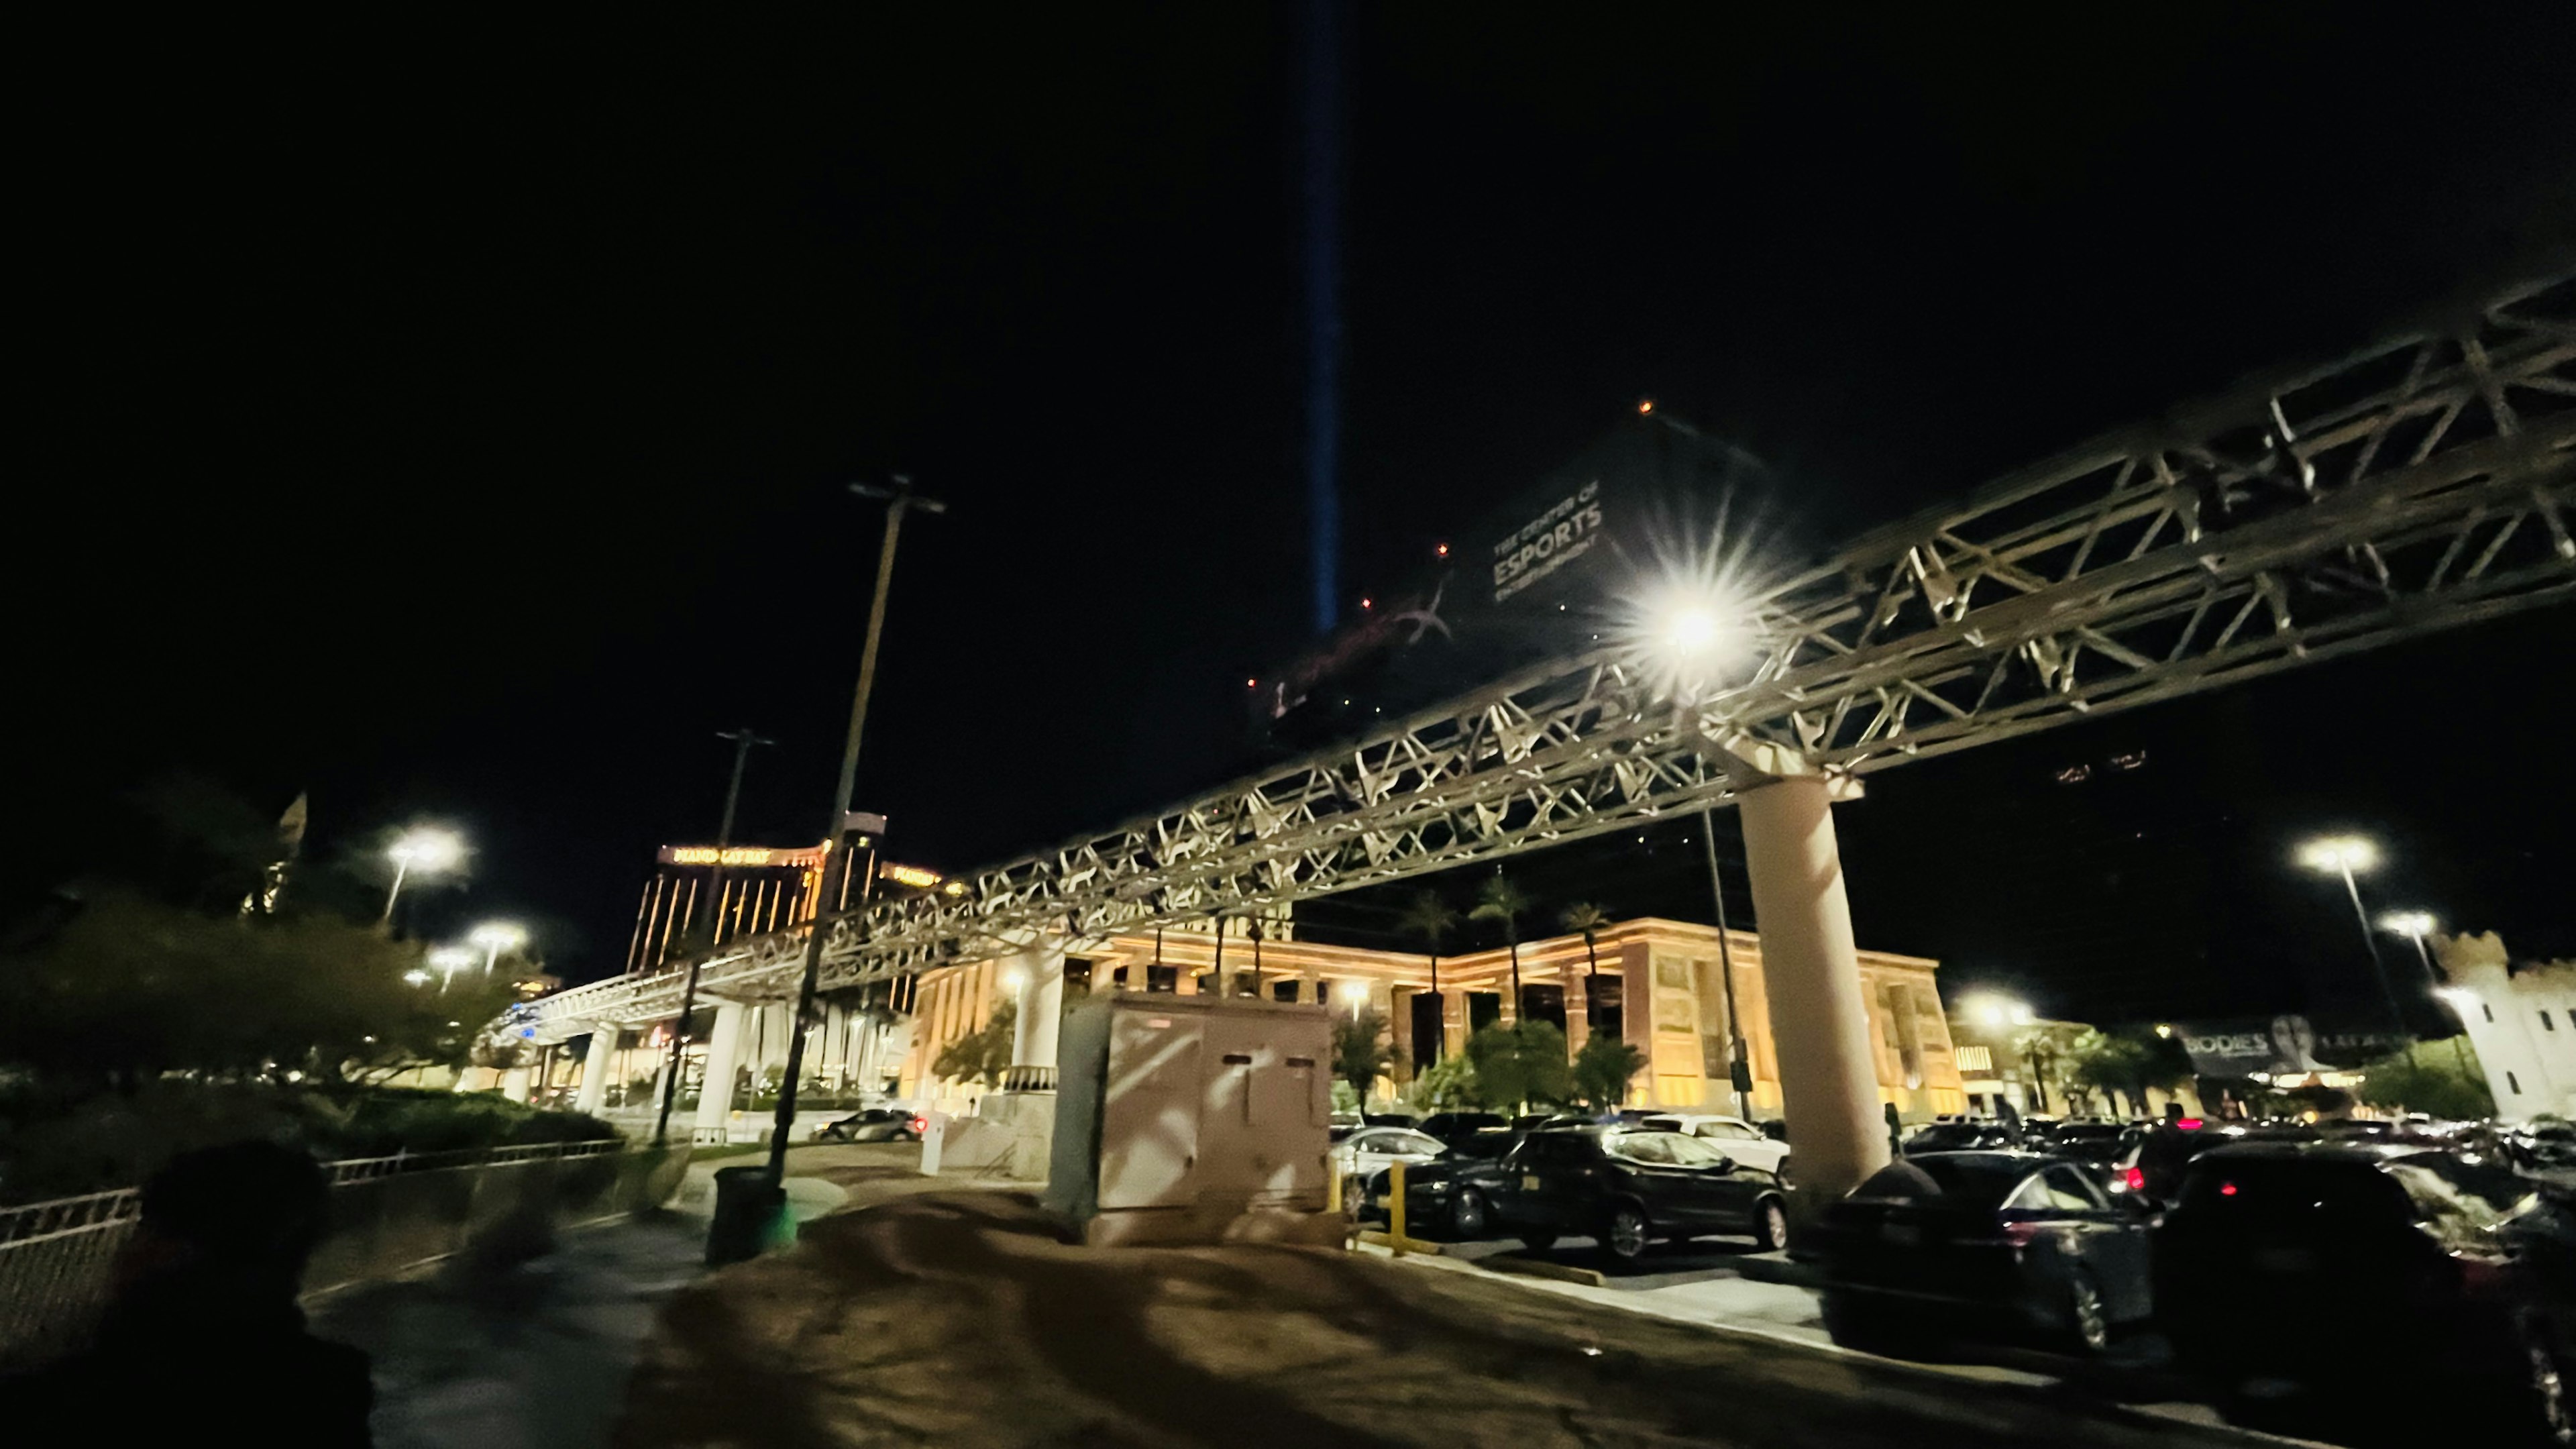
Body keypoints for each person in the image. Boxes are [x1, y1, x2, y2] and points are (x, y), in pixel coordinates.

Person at [1, 1140, 374, 1444]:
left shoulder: (80, 1402)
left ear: (169, 1251)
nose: (126, 1249)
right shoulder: (324, 1392)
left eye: (146, 1230)